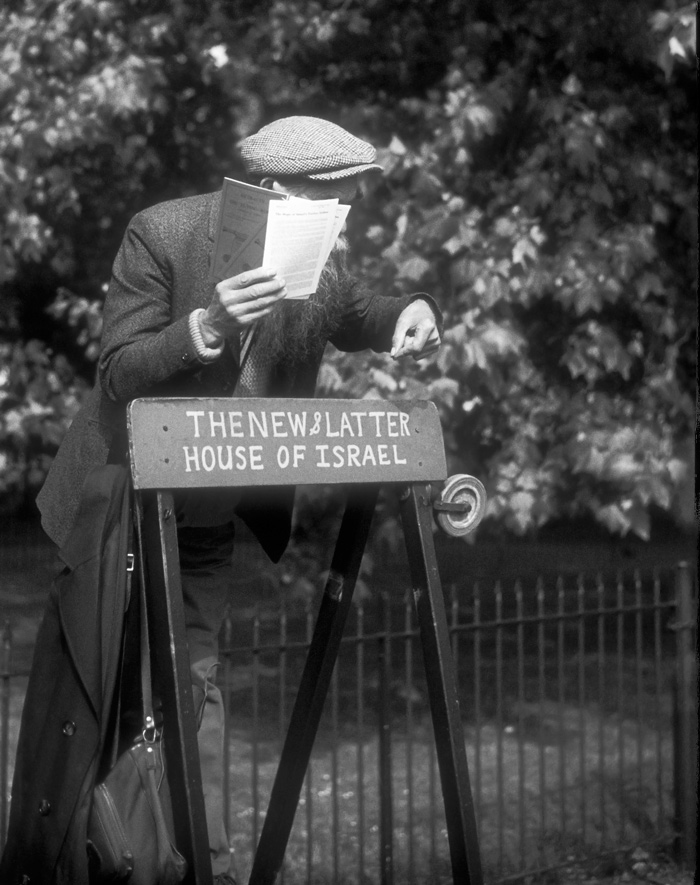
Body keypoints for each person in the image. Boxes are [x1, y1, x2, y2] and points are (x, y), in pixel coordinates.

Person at [32, 116, 442, 883]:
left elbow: (356, 311)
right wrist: (206, 325)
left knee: (193, 686)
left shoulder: (315, 258)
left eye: (346, 206)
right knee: (97, 700)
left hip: (205, 518)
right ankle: (67, 860)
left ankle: (195, 862)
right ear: (274, 191)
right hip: (117, 505)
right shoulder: (164, 233)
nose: (341, 222)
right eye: (332, 203)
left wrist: (406, 314)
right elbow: (119, 372)